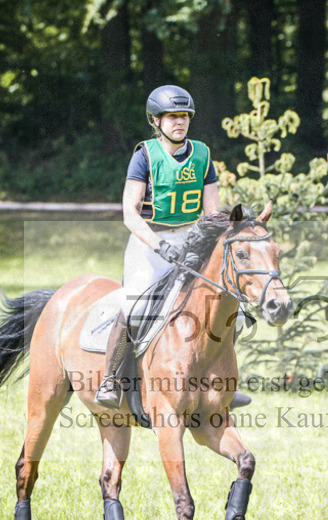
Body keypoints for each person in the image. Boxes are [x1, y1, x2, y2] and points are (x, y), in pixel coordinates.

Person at [95, 85, 220, 407]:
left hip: (192, 239)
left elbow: (212, 212)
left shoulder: (204, 155)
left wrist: (215, 234)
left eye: (184, 116)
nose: (180, 122)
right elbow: (129, 213)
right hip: (148, 241)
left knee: (223, 305)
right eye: (172, 117)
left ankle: (220, 383)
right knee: (133, 306)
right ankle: (110, 381)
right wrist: (160, 246)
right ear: (156, 120)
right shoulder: (144, 156)